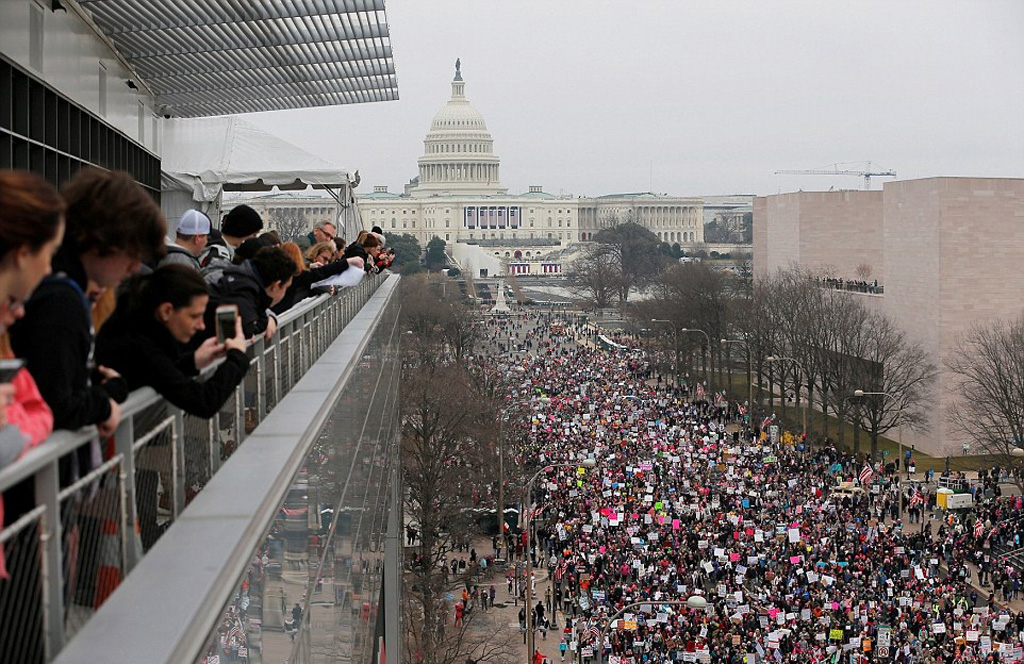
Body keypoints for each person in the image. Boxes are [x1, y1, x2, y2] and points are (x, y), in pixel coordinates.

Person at [11, 167, 165, 437]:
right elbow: (57, 404)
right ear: (103, 240)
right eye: (132, 254)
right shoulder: (62, 299)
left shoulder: (60, 290)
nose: (134, 268)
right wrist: (105, 400)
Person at [95, 264, 249, 418]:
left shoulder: (137, 329)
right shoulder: (138, 345)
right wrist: (237, 357)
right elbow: (203, 402)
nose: (201, 326)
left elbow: (160, 372)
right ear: (166, 311)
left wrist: (194, 360)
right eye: (194, 316)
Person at [200, 246, 296, 343]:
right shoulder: (242, 293)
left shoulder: (240, 282)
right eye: (285, 288)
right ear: (275, 285)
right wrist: (263, 322)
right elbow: (246, 330)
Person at [270, 242, 362, 315]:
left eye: (329, 261)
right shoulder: (297, 275)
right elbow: (319, 274)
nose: (326, 263)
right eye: (324, 259)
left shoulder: (272, 272)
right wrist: (347, 262)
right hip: (281, 317)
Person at [200, 205, 263, 270]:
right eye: (254, 234)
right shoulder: (219, 257)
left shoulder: (223, 250)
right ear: (243, 231)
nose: (255, 239)